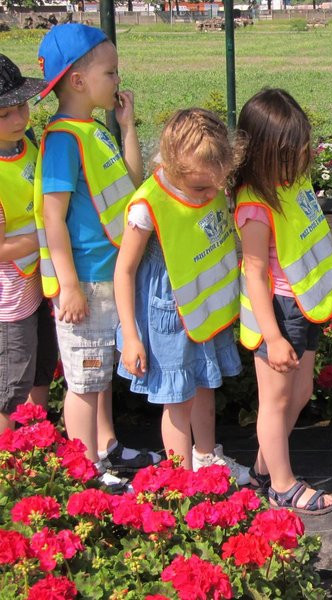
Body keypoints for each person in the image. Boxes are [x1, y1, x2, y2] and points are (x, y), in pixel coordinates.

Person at [34, 24, 159, 485]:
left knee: (99, 373)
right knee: (84, 381)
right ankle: (85, 468)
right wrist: (68, 285)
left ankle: (107, 446)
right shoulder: (63, 140)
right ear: (78, 80)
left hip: (106, 276)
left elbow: (131, 183)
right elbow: (53, 218)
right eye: (110, 72)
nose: (117, 79)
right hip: (84, 282)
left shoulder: (93, 131)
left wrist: (126, 128)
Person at [114, 108, 251, 486]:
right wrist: (130, 335)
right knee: (177, 399)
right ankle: (182, 482)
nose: (212, 195)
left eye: (216, 186)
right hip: (168, 317)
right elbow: (124, 271)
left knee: (205, 384)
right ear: (173, 166)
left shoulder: (203, 177)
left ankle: (206, 458)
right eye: (202, 189)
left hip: (200, 310)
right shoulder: (146, 206)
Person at [233, 88, 332, 514]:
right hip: (278, 314)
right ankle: (282, 485)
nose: (301, 159)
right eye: (289, 153)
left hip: (302, 306)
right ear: (260, 153)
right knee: (276, 400)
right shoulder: (254, 204)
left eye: (302, 148)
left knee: (299, 393)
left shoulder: (291, 183)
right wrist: (272, 336)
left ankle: (264, 468)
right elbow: (254, 273)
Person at [0, 54, 58, 435]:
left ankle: (35, 441)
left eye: (21, 107)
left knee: (41, 367)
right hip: (9, 301)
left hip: (37, 285)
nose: (19, 119)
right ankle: (9, 467)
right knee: (11, 383)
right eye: (5, 114)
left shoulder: (26, 145)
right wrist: (47, 236)